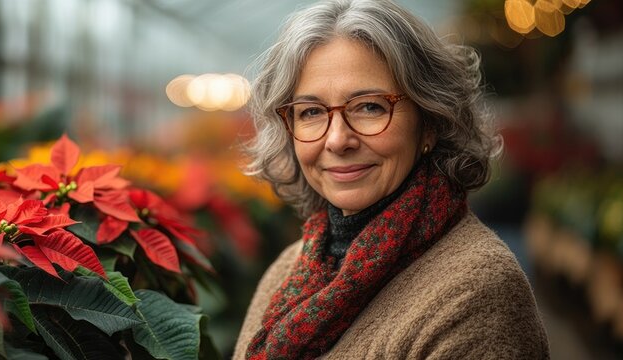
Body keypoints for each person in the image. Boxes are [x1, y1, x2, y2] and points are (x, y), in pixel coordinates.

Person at [234, 0, 550, 358]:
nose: (337, 140)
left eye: (370, 106)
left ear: (430, 121)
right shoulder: (289, 270)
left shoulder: (476, 289)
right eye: (311, 112)